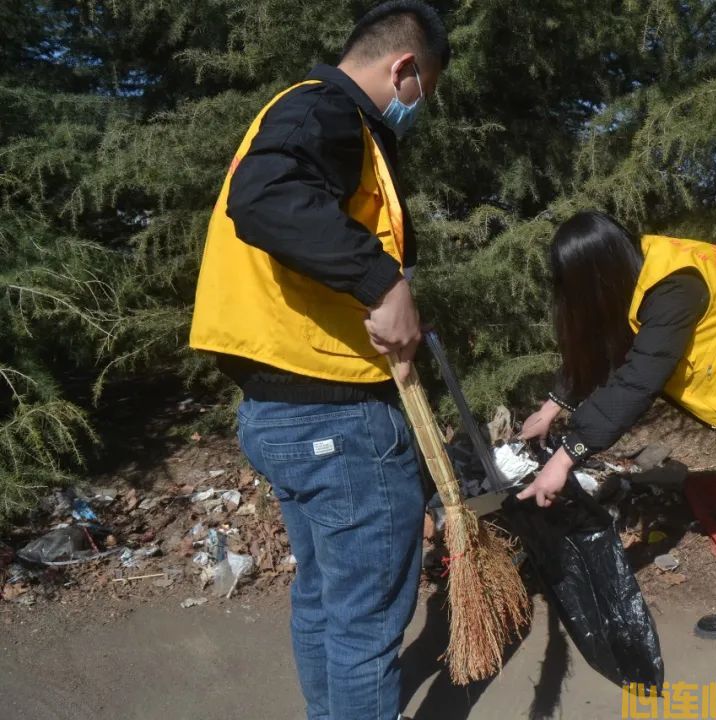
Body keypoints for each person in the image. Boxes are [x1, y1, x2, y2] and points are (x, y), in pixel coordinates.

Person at [188, 3, 449, 718]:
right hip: (339, 423)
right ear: (404, 70)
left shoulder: (295, 116)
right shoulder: (326, 113)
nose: (420, 104)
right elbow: (268, 198)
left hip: (280, 416)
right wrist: (383, 281)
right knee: (364, 628)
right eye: (424, 85)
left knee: (326, 605)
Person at [518, 210, 716, 712]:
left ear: (596, 275)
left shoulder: (674, 289)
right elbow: (603, 346)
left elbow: (635, 380)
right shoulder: (633, 274)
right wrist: (554, 404)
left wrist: (567, 455)